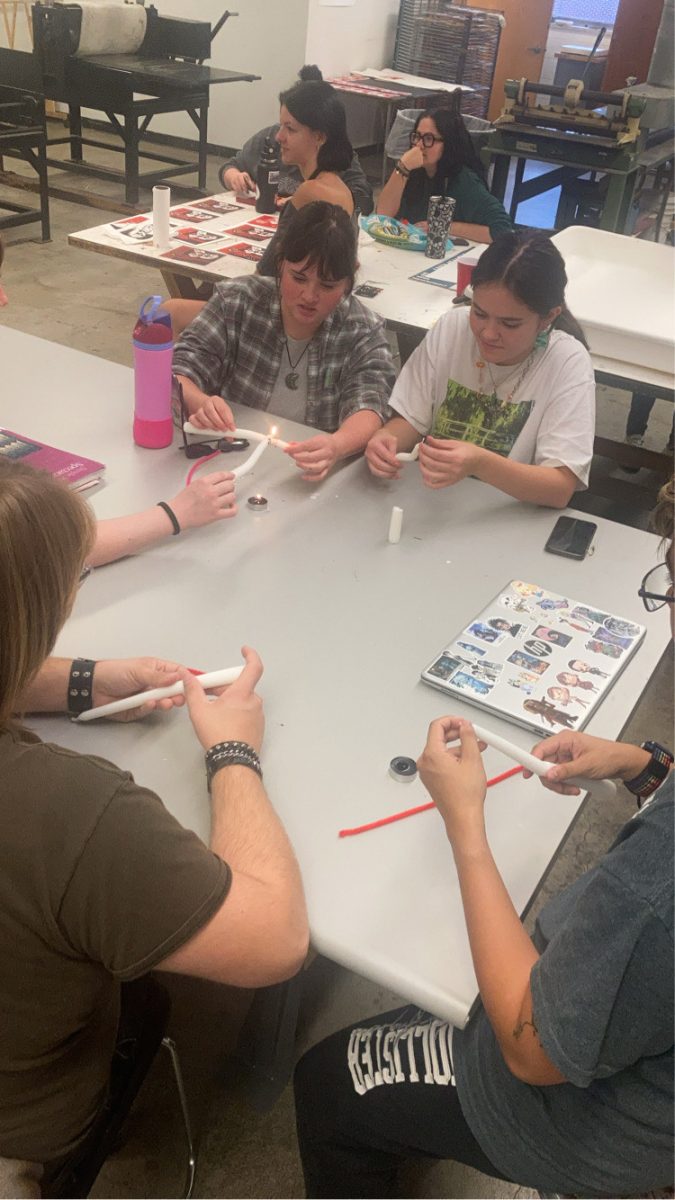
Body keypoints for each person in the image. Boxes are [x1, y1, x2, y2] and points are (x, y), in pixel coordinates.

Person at [293, 476, 674, 1199]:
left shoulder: (654, 879)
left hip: (602, 1121)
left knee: (325, 1083)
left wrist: (464, 825)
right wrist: (645, 766)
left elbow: (532, 1048)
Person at [0, 461, 308, 1194]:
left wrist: (81, 681)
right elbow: (275, 941)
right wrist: (232, 750)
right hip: (26, 1125)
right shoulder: (65, 811)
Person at [365, 230, 595, 509]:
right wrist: (386, 440)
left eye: (509, 324)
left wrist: (480, 462)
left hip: (507, 517)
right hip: (431, 504)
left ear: (548, 317)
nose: (487, 333)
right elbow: (411, 419)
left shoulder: (566, 361)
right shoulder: (453, 329)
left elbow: (559, 488)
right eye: (479, 313)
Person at [173, 202, 395, 482]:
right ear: (280, 264)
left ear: (349, 280)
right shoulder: (237, 302)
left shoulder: (362, 330)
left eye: (327, 286)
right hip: (229, 465)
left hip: (309, 477)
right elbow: (179, 369)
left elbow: (371, 404)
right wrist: (200, 401)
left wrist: (337, 445)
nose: (309, 296)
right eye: (298, 278)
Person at [219, 65, 374, 216]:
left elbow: (363, 197)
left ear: (319, 136)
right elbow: (231, 166)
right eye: (281, 125)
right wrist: (233, 176)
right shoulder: (269, 139)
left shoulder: (333, 163)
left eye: (291, 129)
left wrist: (308, 203)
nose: (279, 137)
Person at [377, 100, 512, 243]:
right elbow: (382, 216)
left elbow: (502, 230)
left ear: (448, 144)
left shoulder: (464, 180)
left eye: (429, 139)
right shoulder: (412, 170)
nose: (419, 145)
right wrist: (402, 168)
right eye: (416, 136)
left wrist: (442, 225)